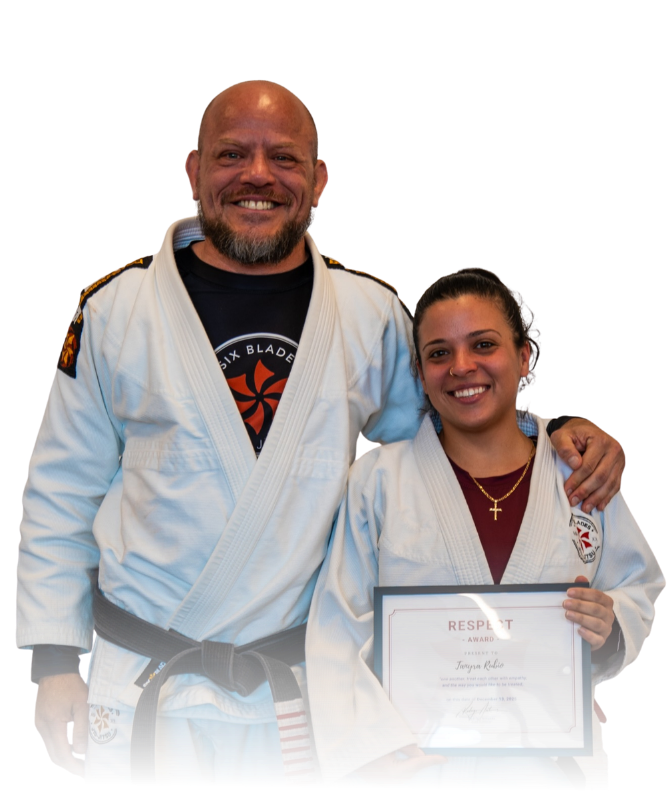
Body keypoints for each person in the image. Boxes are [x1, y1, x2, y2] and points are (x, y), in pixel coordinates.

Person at [17, 82, 626, 786]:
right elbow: (63, 487)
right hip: (142, 671)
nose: (257, 176)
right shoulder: (115, 306)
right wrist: (55, 661)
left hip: (302, 682)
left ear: (318, 179)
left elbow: (449, 440)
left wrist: (549, 432)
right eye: (230, 155)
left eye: (284, 157)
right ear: (191, 171)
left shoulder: (368, 310)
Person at [306, 268, 664, 789]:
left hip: (546, 771)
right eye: (439, 353)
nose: (462, 367)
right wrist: (363, 738)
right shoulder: (379, 478)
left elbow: (637, 586)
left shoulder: (578, 468)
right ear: (420, 371)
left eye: (483, 344)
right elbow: (338, 622)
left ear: (523, 357)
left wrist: (609, 627)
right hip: (414, 766)